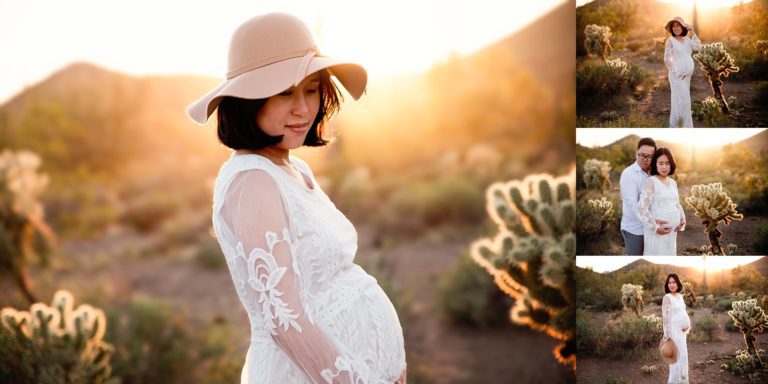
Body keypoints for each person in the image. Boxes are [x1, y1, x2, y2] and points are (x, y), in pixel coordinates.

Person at [186, 13, 406, 383]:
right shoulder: (252, 182)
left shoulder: (292, 169)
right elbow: (285, 321)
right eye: (285, 92)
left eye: (311, 88)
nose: (303, 108)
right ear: (247, 100)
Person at [620, 137, 668, 255]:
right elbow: (634, 206)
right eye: (641, 155)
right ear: (636, 152)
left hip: (652, 226)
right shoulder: (628, 174)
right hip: (635, 229)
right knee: (636, 257)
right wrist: (653, 225)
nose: (645, 159)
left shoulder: (654, 173)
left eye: (649, 156)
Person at [637, 148, 686, 255]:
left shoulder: (673, 182)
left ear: (671, 164)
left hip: (672, 232)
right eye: (661, 163)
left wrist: (683, 220)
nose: (664, 167)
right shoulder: (651, 181)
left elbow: (676, 204)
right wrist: (655, 227)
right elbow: (642, 208)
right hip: (657, 232)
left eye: (667, 163)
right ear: (655, 164)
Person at [664, 16, 702, 128]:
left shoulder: (687, 40)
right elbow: (667, 59)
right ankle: (679, 125)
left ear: (683, 27)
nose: (675, 28)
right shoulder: (670, 41)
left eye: (678, 25)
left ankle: (683, 124)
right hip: (677, 76)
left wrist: (693, 31)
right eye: (673, 26)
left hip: (686, 76)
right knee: (682, 101)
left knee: (683, 100)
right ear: (671, 29)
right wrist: (677, 73)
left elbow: (698, 47)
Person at [661, 274, 691, 384]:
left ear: (678, 284)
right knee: (676, 361)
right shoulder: (667, 298)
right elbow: (665, 318)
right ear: (667, 285)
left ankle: (683, 381)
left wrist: (687, 325)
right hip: (674, 333)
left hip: (682, 333)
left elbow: (683, 312)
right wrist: (667, 337)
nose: (672, 284)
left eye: (674, 282)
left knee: (683, 358)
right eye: (669, 283)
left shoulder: (680, 296)